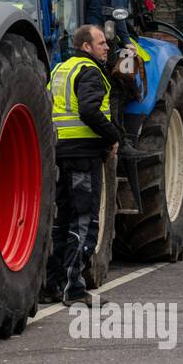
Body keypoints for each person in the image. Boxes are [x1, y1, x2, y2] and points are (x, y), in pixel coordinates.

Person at [43, 24, 123, 307]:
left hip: (61, 152)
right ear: (86, 46)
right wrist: (113, 136)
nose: (107, 48)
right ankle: (73, 288)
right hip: (84, 155)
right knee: (84, 221)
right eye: (101, 43)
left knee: (61, 221)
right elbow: (89, 110)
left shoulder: (60, 69)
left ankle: (51, 284)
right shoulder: (90, 71)